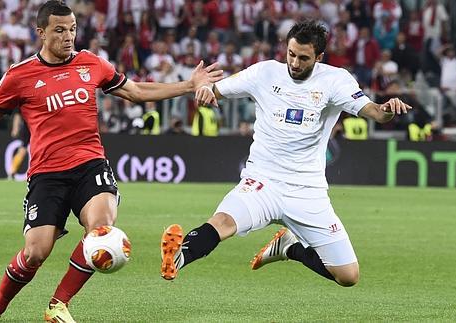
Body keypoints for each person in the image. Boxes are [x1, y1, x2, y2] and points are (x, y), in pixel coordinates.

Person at [0, 1, 222, 322]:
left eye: (72, 29)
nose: (68, 36)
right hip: (46, 175)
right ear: (41, 33)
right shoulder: (19, 76)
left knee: (101, 231)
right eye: (59, 30)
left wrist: (190, 84)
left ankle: (58, 305)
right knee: (36, 252)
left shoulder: (91, 64)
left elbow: (138, 91)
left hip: (91, 167)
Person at [161, 20, 411, 288]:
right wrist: (204, 91)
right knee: (223, 222)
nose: (294, 63)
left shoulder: (335, 80)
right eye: (291, 54)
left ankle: (290, 248)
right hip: (262, 182)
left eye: (304, 58)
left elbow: (374, 112)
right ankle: (178, 258)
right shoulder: (264, 73)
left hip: (307, 189)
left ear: (319, 57)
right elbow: (214, 90)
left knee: (348, 277)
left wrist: (387, 109)